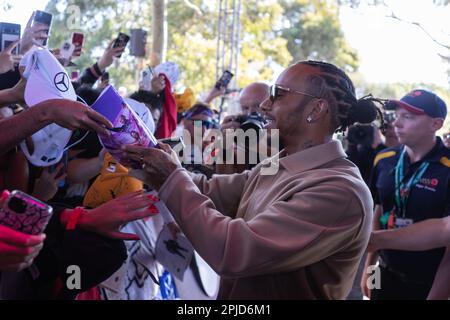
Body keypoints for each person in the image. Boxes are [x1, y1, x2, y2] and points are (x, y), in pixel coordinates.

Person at [123, 60, 378, 299]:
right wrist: (150, 161)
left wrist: (172, 177)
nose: (265, 106)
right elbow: (209, 191)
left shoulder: (339, 191)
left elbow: (232, 250)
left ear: (315, 109)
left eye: (278, 94)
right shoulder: (278, 164)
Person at [362, 89, 449, 300]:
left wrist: (437, 296)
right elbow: (379, 210)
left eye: (408, 117)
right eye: (396, 116)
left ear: (436, 124)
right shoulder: (383, 159)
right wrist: (370, 270)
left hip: (427, 283)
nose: (396, 124)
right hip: (384, 271)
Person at [367, 215, 450, 299]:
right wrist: (369, 270)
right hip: (384, 272)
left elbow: (445, 229)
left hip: (422, 282)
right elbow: (444, 227)